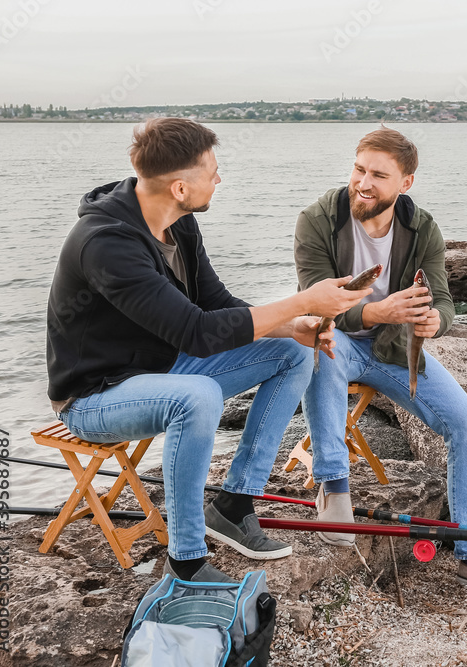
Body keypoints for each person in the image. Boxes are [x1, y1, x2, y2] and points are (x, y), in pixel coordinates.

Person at [46, 118, 371, 583]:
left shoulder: (179, 224)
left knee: (293, 354)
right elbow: (197, 333)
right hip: (95, 396)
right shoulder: (106, 244)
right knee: (195, 396)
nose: (219, 179)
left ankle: (235, 504)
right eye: (212, 172)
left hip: (163, 367)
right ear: (180, 186)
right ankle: (186, 561)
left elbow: (216, 304)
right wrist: (303, 299)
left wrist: (292, 325)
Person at [294, 128, 467, 596]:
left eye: (378, 175)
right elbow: (319, 304)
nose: (363, 183)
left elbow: (443, 301)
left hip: (393, 351)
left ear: (405, 182)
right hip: (338, 338)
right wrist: (377, 311)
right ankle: (333, 486)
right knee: (319, 348)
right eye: (359, 169)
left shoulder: (422, 227)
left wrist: (434, 324)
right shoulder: (318, 219)